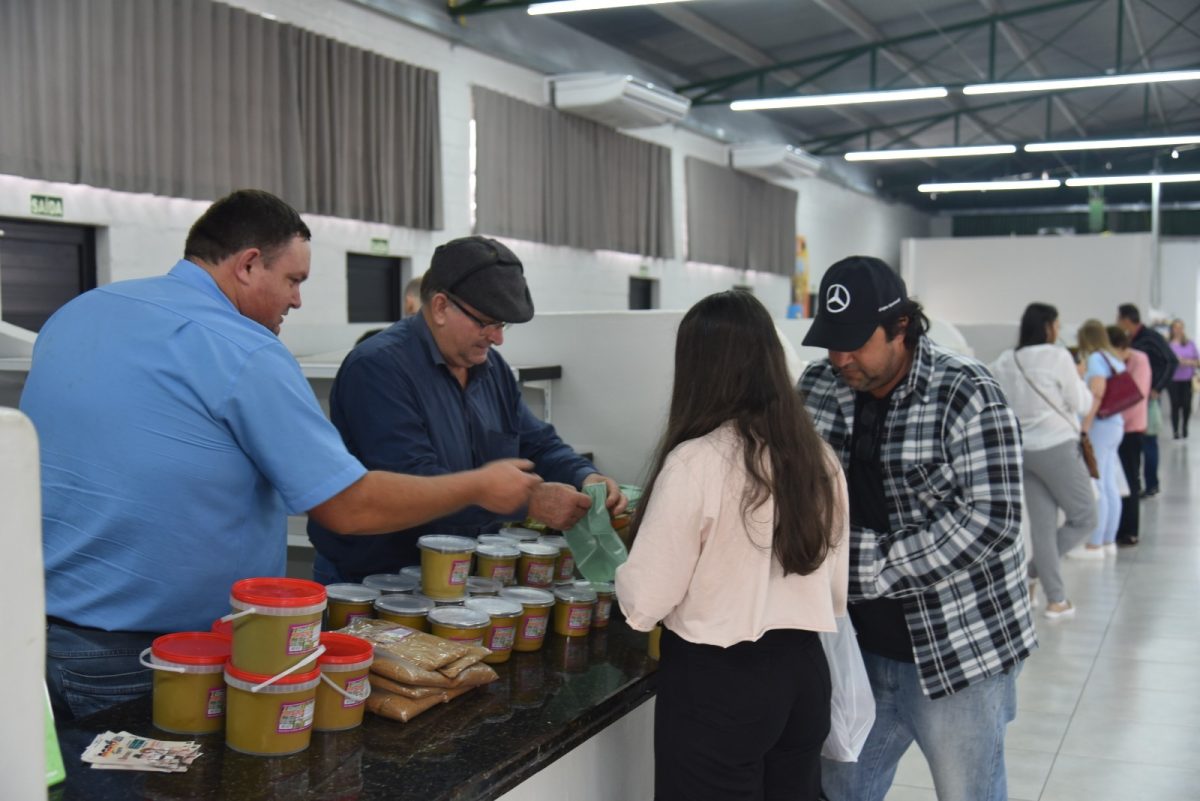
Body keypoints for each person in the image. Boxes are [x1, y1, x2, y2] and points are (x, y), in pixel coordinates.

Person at [20, 190, 540, 721]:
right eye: (294, 281)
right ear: (247, 265)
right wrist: (479, 486)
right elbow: (348, 507)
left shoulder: (79, 312)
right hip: (164, 657)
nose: (297, 302)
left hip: (37, 637)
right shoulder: (244, 349)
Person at [798, 256, 1036, 801]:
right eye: (832, 341)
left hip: (958, 652)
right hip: (854, 648)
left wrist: (870, 565)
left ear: (901, 326)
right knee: (839, 790)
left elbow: (993, 520)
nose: (841, 357)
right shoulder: (816, 387)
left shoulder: (967, 393)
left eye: (856, 342)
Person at [615, 290, 849, 801]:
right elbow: (835, 589)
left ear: (698, 370)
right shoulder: (820, 459)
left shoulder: (696, 462)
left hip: (719, 685)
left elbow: (644, 602)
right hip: (803, 674)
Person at [308, 236, 626, 583]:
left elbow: (537, 443)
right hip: (376, 580)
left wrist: (584, 475)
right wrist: (527, 501)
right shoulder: (378, 370)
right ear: (441, 307)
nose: (497, 338)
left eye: (503, 325)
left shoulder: (492, 370)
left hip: (457, 573)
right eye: (486, 322)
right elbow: (414, 483)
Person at [991, 303, 1096, 619]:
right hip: (1057, 446)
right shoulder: (1058, 357)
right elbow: (1081, 402)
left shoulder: (1007, 360)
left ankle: (1056, 598)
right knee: (1086, 517)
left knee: (1043, 527)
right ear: (1048, 326)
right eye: (1058, 325)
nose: (1059, 331)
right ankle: (1033, 573)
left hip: (1024, 450)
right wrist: (1079, 378)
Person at [1069, 321, 1128, 557]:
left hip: (1101, 427)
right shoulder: (1113, 359)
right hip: (1115, 424)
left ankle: (1095, 543)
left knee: (1098, 483)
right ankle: (1108, 540)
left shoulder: (1095, 359)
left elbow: (1097, 393)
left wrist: (1085, 426)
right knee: (1110, 484)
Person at [1116, 304, 1177, 500]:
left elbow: (1171, 361)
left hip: (1147, 399)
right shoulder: (1131, 340)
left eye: (1119, 319)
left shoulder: (1150, 337)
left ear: (1126, 320)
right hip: (1130, 399)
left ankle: (1151, 484)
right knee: (1135, 443)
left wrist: (1157, 388)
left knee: (1149, 440)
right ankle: (1137, 483)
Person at [1105, 327, 1152, 540]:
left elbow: (1136, 396)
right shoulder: (1112, 362)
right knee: (1116, 480)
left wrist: (1111, 417)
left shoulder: (1139, 360)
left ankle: (1129, 530)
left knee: (1130, 478)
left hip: (1131, 429)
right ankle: (1115, 527)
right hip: (1113, 427)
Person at [1167, 319, 1198, 439]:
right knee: (1175, 405)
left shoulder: (1190, 344)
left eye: (1180, 327)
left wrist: (1187, 362)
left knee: (1186, 405)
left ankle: (1184, 426)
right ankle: (1175, 430)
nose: (1178, 330)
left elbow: (1197, 361)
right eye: (1175, 327)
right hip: (1173, 379)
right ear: (1172, 329)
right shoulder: (1168, 345)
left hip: (1187, 379)